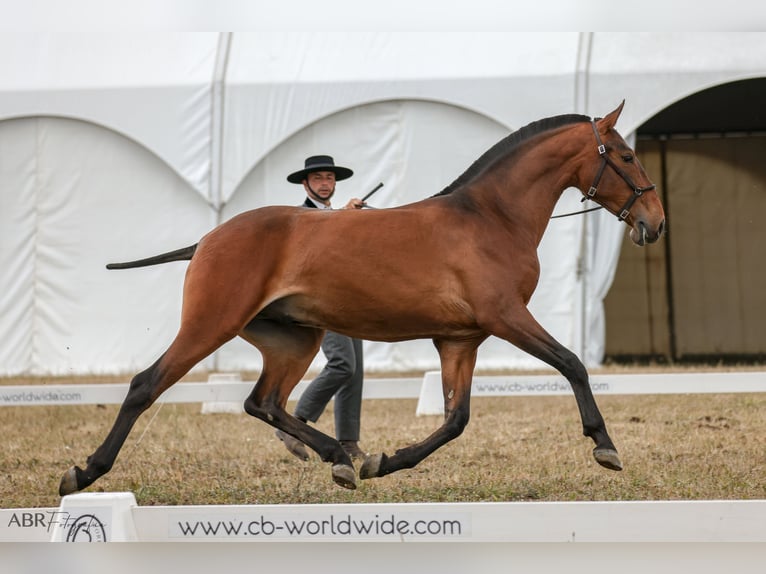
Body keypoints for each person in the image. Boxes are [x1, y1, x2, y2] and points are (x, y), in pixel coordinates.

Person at [275, 155, 367, 461]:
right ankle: (293, 423)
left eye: (329, 178)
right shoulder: (301, 216)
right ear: (305, 183)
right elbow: (315, 246)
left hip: (348, 299)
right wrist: (343, 217)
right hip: (318, 301)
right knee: (343, 363)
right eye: (318, 179)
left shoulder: (337, 215)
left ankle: (349, 442)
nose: (325, 184)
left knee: (355, 372)